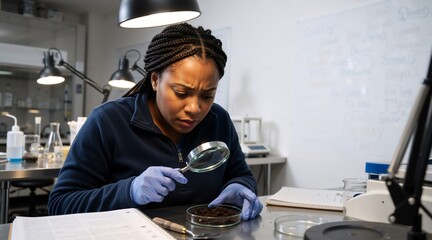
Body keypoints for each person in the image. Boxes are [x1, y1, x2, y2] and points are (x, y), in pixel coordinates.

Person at [48, 23, 263, 220]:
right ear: (155, 80)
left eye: (207, 96)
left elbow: (241, 174)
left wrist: (240, 186)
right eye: (181, 92)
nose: (195, 109)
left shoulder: (219, 120)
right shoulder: (108, 121)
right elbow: (61, 204)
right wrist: (128, 191)